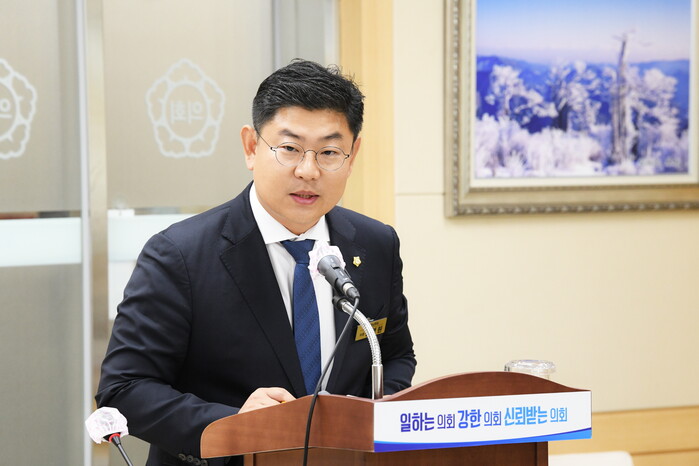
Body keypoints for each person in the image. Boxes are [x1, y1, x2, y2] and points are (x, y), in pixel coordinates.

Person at [96, 59, 416, 466]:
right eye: (289, 149)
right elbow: (124, 389)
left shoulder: (376, 244)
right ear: (251, 147)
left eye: (329, 152)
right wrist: (235, 426)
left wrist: (368, 418)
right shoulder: (179, 255)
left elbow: (395, 355)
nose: (308, 171)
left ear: (352, 157)